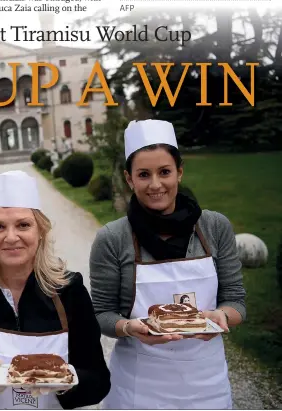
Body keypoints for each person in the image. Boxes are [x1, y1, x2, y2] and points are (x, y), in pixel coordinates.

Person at [89, 119, 246, 409]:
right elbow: (100, 314)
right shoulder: (113, 238)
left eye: (164, 172)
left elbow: (236, 301)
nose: (155, 184)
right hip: (140, 388)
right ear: (129, 178)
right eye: (144, 174)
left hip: (207, 384)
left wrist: (222, 316)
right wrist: (128, 327)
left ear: (180, 172)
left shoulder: (214, 227)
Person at [0, 170, 111, 409]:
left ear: (40, 231)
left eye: (23, 225)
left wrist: (67, 381)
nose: (11, 237)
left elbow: (99, 381)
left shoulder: (70, 291)